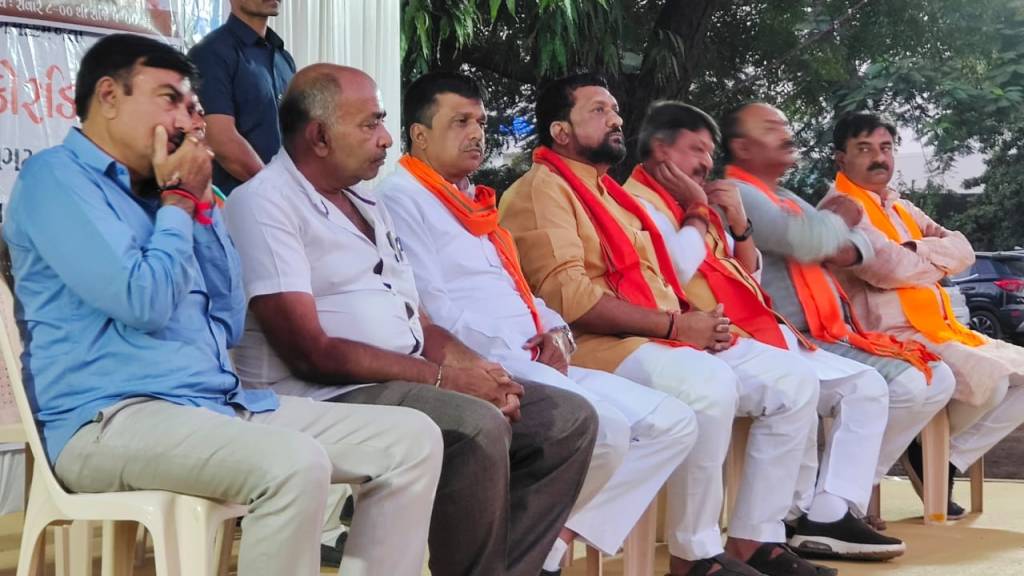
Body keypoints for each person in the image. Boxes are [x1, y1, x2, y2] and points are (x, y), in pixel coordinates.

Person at [2, 34, 442, 576]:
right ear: (109, 96)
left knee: (412, 440)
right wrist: (179, 202)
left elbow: (229, 319)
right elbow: (143, 301)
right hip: (109, 420)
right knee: (293, 463)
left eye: (191, 105)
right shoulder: (55, 179)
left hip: (218, 406)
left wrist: (203, 207)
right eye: (169, 99)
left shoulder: (171, 194)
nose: (187, 120)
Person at [224, 63, 599, 576]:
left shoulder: (366, 202)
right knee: (476, 425)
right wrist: (446, 380)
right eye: (370, 124)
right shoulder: (264, 203)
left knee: (568, 421)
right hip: (321, 395)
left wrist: (481, 370)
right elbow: (309, 352)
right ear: (319, 137)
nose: (385, 138)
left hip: (403, 378)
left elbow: (416, 319)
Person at [499, 73, 823, 576]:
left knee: (795, 381)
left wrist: (692, 322)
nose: (615, 119)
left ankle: (754, 537)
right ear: (560, 132)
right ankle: (694, 552)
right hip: (593, 343)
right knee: (707, 385)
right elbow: (571, 299)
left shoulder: (611, 195)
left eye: (615, 110)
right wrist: (676, 326)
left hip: (655, 334)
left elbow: (667, 277)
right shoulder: (542, 191)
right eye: (598, 110)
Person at [377, 71, 698, 575]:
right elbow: (432, 308)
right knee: (607, 430)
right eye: (460, 122)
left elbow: (522, 291)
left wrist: (558, 333)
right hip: (488, 359)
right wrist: (517, 348)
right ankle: (531, 557)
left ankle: (539, 553)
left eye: (481, 122)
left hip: (538, 352)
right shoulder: (401, 198)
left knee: (673, 424)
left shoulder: (474, 201)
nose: (477, 134)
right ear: (419, 134)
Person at [625, 100, 906, 560]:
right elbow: (674, 273)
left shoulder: (724, 198)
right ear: (660, 150)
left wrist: (739, 225)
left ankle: (815, 515)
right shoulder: (640, 203)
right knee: (791, 385)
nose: (706, 162)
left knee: (864, 386)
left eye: (709, 152)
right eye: (696, 150)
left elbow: (748, 272)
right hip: (692, 337)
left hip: (750, 329)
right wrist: (699, 210)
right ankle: (742, 537)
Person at [720, 102, 957, 532]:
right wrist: (838, 223)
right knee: (903, 383)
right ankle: (832, 505)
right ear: (742, 147)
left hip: (829, 333)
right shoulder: (739, 193)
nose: (785, 134)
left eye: (784, 125)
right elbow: (810, 241)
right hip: (787, 337)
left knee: (936, 377)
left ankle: (835, 496)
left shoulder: (785, 197)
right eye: (771, 128)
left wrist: (833, 235)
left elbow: (852, 247)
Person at [821, 110, 1024, 516]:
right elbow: (886, 268)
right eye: (865, 149)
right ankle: (924, 452)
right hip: (886, 333)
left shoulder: (901, 208)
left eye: (885, 148)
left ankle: (944, 459)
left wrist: (914, 251)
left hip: (938, 326)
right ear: (841, 158)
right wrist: (932, 260)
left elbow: (963, 250)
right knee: (993, 383)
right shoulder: (839, 210)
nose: (879, 158)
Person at [188, 0, 296, 193]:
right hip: (236, 201)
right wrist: (276, 191)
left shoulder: (283, 57)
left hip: (286, 197)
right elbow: (220, 139)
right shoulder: (210, 53)